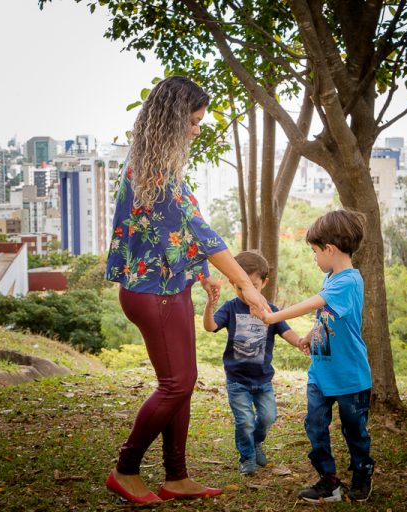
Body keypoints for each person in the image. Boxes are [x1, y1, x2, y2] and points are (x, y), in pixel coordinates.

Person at [103, 76, 271, 504]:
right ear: (172, 120)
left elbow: (167, 235)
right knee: (176, 383)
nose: (198, 129)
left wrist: (200, 275)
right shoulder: (154, 172)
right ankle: (125, 469)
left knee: (183, 381)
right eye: (194, 121)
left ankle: (176, 476)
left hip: (168, 287)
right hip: (152, 294)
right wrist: (245, 286)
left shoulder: (154, 164)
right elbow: (199, 231)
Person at [259, 209, 375, 503]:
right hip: (321, 374)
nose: (314, 258)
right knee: (314, 426)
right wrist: (311, 335)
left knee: (355, 433)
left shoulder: (349, 281)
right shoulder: (332, 277)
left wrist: (273, 316)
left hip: (350, 377)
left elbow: (315, 303)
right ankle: (329, 480)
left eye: (314, 252)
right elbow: (326, 314)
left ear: (330, 249)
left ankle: (362, 473)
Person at [202, 251, 306, 475]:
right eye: (241, 287)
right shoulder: (230, 308)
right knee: (245, 421)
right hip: (237, 380)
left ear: (264, 283)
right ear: (233, 283)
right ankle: (247, 456)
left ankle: (256, 441)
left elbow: (285, 331)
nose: (246, 292)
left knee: (268, 417)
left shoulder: (270, 310)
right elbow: (210, 327)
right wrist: (209, 306)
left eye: (253, 286)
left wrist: (299, 342)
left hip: (263, 379)